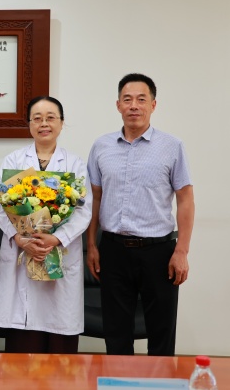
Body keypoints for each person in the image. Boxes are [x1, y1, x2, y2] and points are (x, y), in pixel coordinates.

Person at [86, 73, 195, 356]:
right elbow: (95, 198)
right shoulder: (101, 146)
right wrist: (92, 245)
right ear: (118, 105)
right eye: (127, 99)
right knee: (116, 335)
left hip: (158, 252)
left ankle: (161, 379)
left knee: (161, 334)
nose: (134, 105)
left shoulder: (172, 146)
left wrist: (181, 251)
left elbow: (185, 199)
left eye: (141, 99)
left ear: (153, 105)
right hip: (113, 250)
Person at [0, 96, 92, 353]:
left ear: (61, 123)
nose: (44, 123)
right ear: (29, 124)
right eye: (37, 118)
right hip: (22, 251)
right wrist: (21, 239)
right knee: (23, 343)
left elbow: (84, 211)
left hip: (58, 252)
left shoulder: (75, 164)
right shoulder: (13, 161)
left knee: (59, 339)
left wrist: (57, 238)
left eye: (50, 118)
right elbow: (0, 208)